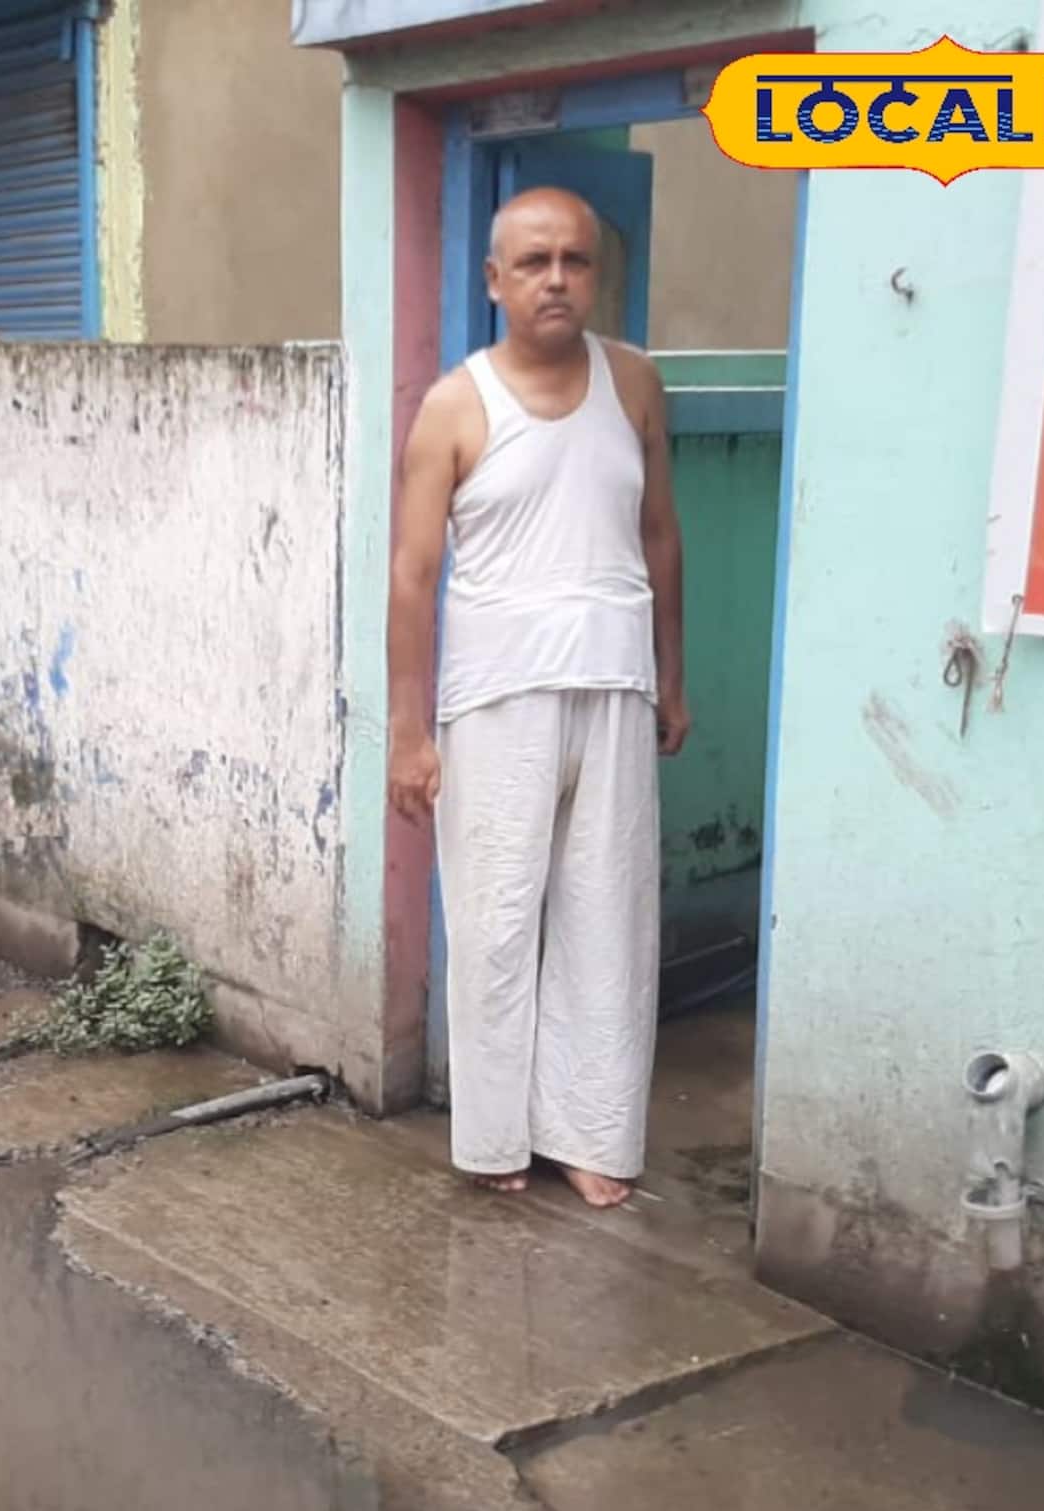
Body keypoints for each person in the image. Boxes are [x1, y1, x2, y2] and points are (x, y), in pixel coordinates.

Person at [387, 187, 689, 1210]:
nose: (555, 279)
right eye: (532, 263)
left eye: (574, 260)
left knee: (609, 916)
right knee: (496, 923)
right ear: (494, 280)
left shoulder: (634, 383)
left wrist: (672, 675)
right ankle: (492, 1136)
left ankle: (590, 1133)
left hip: (613, 679)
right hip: (495, 696)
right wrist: (408, 735)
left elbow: (659, 535)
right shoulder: (454, 405)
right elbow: (410, 576)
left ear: (595, 272)